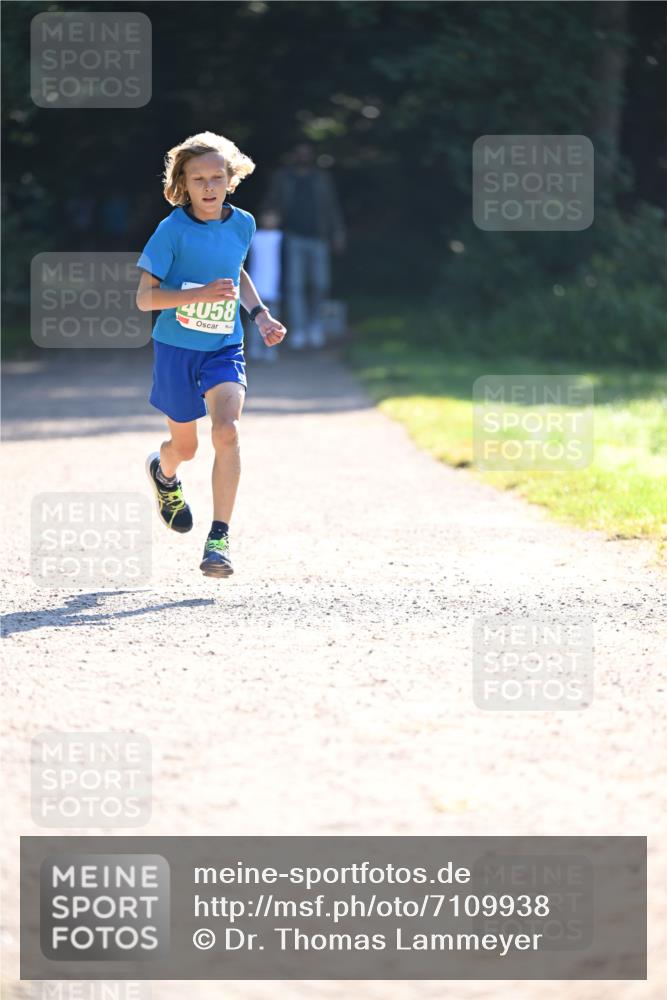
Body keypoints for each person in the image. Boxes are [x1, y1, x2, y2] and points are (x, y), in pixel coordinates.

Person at [135, 131, 287, 578]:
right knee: (186, 446)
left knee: (227, 430)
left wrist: (259, 315)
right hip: (176, 349)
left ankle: (219, 539)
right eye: (197, 178)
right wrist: (199, 293)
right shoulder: (171, 231)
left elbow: (234, 269)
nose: (208, 186)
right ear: (183, 182)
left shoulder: (243, 223)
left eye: (216, 177)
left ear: (230, 179)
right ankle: (164, 474)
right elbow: (145, 299)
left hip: (224, 345)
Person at [260, 142, 345, 349]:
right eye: (300, 153)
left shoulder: (321, 178)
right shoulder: (283, 177)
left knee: (320, 284)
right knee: (294, 285)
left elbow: (331, 207)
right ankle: (298, 329)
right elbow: (272, 202)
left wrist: (338, 233)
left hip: (319, 237)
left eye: (307, 153)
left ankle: (314, 325)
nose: (303, 156)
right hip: (293, 237)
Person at [245, 210, 283, 364]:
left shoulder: (281, 238)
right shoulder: (254, 237)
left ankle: (271, 349)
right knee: (254, 319)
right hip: (255, 286)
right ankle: (254, 348)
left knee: (273, 318)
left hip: (274, 286)